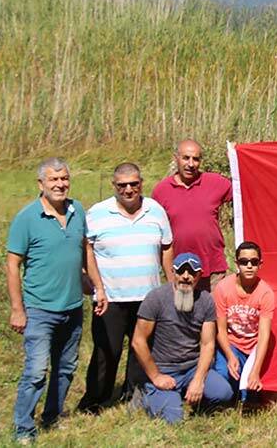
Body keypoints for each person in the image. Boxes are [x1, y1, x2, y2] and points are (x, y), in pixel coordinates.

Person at [6, 158, 106, 443]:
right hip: (39, 309)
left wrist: (97, 286)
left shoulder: (78, 211)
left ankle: (52, 416)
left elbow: (85, 249)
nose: (60, 184)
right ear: (41, 184)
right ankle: (23, 427)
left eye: (64, 179)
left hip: (72, 307)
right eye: (54, 180)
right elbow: (13, 264)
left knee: (65, 368)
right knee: (37, 371)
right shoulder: (27, 218)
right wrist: (17, 309)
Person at [77, 163, 175, 414]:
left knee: (141, 348)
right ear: (114, 186)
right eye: (122, 185)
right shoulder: (97, 213)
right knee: (105, 351)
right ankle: (96, 399)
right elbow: (86, 249)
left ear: (141, 183)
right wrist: (95, 285)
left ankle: (135, 393)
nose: (129, 189)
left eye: (134, 184)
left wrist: (171, 283)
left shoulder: (156, 210)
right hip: (111, 297)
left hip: (148, 297)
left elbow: (166, 247)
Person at [132, 252, 233, 423]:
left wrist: (198, 380)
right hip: (164, 368)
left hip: (191, 367)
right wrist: (156, 376)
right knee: (174, 420)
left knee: (224, 394)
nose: (186, 277)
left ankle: (186, 395)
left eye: (192, 273)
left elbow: (208, 344)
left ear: (199, 275)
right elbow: (138, 341)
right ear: (173, 272)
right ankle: (146, 396)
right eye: (181, 271)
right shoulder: (156, 298)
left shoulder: (206, 300)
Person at [152, 139, 232, 289]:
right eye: (186, 158)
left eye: (196, 159)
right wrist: (168, 274)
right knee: (183, 311)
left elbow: (244, 189)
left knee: (213, 312)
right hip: (180, 269)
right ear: (176, 158)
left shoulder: (216, 182)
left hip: (213, 269)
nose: (191, 164)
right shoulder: (161, 191)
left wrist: (235, 160)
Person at [212, 241, 275, 404]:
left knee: (251, 394)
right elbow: (220, 329)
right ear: (236, 263)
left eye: (254, 262)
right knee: (222, 382)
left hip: (254, 347)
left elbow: (264, 335)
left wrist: (255, 370)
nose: (249, 266)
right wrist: (229, 355)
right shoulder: (222, 288)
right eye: (244, 262)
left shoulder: (266, 293)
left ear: (260, 264)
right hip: (231, 344)